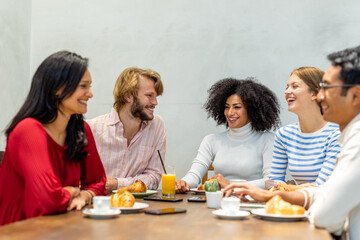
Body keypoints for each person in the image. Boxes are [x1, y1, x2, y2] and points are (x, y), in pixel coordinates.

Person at [224, 45, 360, 239]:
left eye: (327, 88)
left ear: (355, 95)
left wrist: (286, 191)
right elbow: (322, 191)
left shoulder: (356, 138)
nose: (321, 96)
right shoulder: (347, 133)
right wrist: (273, 194)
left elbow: (325, 214)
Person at [0, 51, 106, 226]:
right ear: (58, 88)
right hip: (19, 231)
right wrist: (72, 191)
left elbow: (98, 183)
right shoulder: (28, 130)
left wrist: (85, 195)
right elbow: (47, 200)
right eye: (84, 86)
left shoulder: (81, 130)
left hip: (61, 226)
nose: (91, 93)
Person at [176, 78, 280, 193]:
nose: (230, 112)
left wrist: (231, 185)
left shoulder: (267, 140)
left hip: (253, 204)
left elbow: (271, 182)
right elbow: (194, 175)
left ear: (252, 110)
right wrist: (184, 182)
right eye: (227, 107)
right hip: (218, 203)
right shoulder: (211, 140)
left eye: (237, 107)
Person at [87, 67, 166, 193]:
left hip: (140, 206)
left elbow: (154, 177)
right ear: (128, 96)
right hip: (100, 206)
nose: (155, 102)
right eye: (149, 96)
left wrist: (116, 183)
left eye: (156, 96)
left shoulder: (157, 125)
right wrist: (134, 183)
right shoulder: (92, 128)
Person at [269, 67, 341, 188]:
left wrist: (288, 187)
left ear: (315, 93)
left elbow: (321, 187)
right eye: (287, 87)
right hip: (297, 204)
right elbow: (273, 182)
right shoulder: (284, 134)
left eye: (294, 86)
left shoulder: (337, 134)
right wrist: (285, 187)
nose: (287, 92)